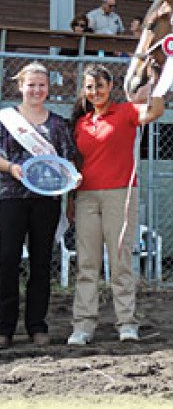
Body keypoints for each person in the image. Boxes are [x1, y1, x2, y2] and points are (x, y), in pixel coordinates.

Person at [67, 63, 164, 345]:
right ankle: (83, 326)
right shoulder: (80, 122)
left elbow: (156, 111)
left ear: (110, 87)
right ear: (84, 91)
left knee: (121, 261)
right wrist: (71, 201)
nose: (95, 91)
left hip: (120, 194)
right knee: (87, 264)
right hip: (86, 197)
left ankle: (126, 323)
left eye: (99, 86)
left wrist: (157, 84)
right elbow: (75, 164)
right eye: (89, 87)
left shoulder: (125, 112)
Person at [0, 62, 75, 348]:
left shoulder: (58, 124)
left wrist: (72, 180)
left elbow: (67, 162)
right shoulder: (5, 119)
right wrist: (11, 168)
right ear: (20, 86)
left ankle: (37, 325)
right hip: (10, 197)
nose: (36, 90)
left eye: (41, 85)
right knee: (7, 260)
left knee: (42, 263)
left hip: (47, 201)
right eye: (30, 84)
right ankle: (4, 327)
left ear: (48, 88)